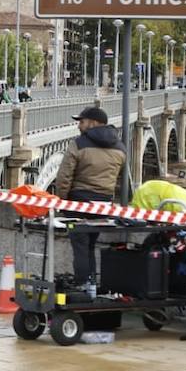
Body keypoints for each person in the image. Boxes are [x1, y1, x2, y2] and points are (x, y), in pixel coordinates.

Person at [54, 106, 127, 282]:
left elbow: (64, 176)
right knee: (90, 246)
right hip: (103, 205)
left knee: (80, 247)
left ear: (93, 123)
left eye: (82, 121)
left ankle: (81, 285)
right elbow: (120, 178)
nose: (79, 126)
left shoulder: (78, 144)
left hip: (79, 203)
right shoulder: (120, 147)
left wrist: (62, 202)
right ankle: (91, 284)